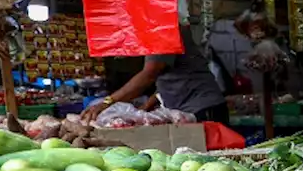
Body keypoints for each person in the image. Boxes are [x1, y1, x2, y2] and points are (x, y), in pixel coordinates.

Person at [82, 20, 227, 125]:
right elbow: (166, 79)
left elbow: (149, 75)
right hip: (192, 110)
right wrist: (145, 108)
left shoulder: (162, 29)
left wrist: (108, 102)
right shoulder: (160, 28)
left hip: (202, 110)